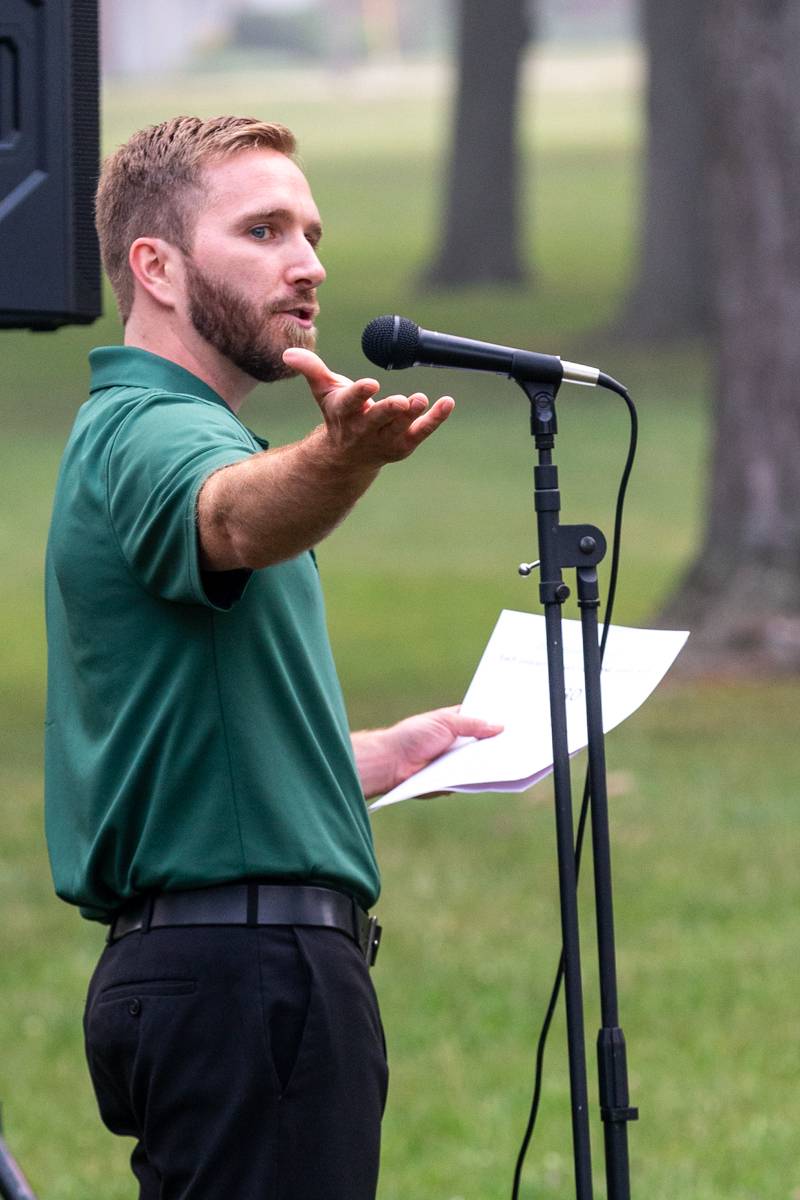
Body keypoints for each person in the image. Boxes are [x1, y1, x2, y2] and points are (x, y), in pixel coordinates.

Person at [44, 115, 501, 1199]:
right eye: (262, 229)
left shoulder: (143, 429)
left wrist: (373, 757)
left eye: (309, 230)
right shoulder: (158, 433)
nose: (309, 263)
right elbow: (236, 521)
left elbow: (189, 753)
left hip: (215, 975)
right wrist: (339, 460)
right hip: (245, 982)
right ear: (155, 267)